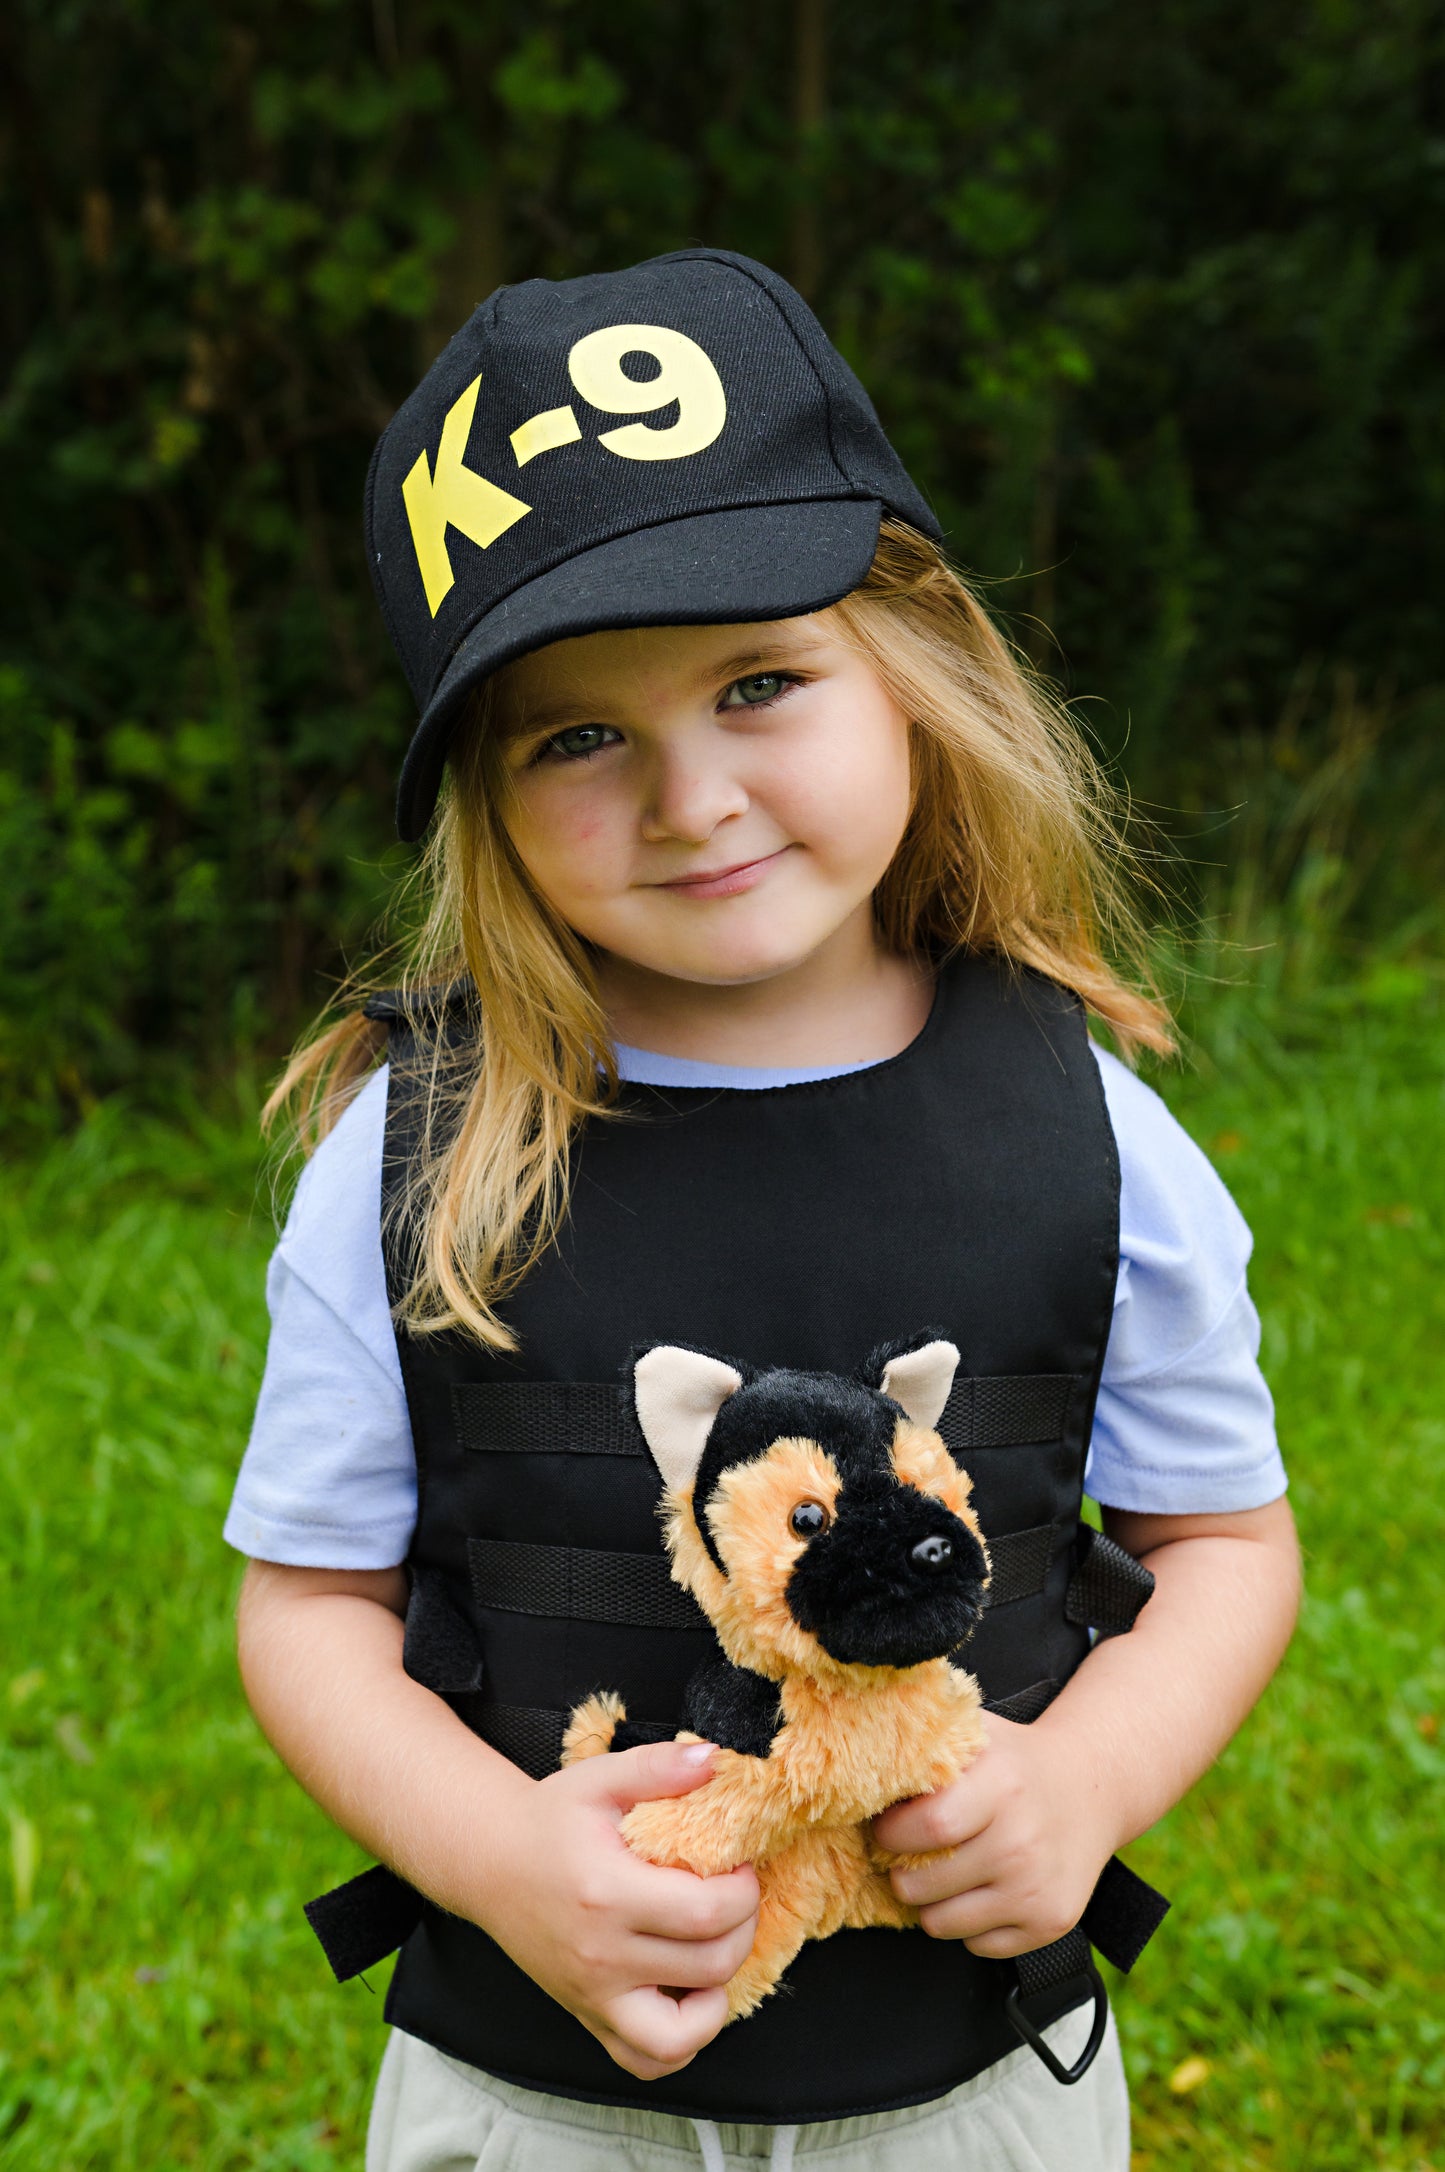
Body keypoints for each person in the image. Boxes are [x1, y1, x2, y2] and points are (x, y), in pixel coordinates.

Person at [225, 250, 1300, 2172]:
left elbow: (1223, 1543)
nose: (691, 796)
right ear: (479, 791)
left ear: (914, 667)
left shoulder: (1087, 1132)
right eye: (578, 737)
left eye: (758, 683)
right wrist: (496, 1859)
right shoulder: (420, 1150)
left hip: (969, 2093)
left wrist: (1085, 1784)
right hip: (534, 2091)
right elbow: (309, 1607)